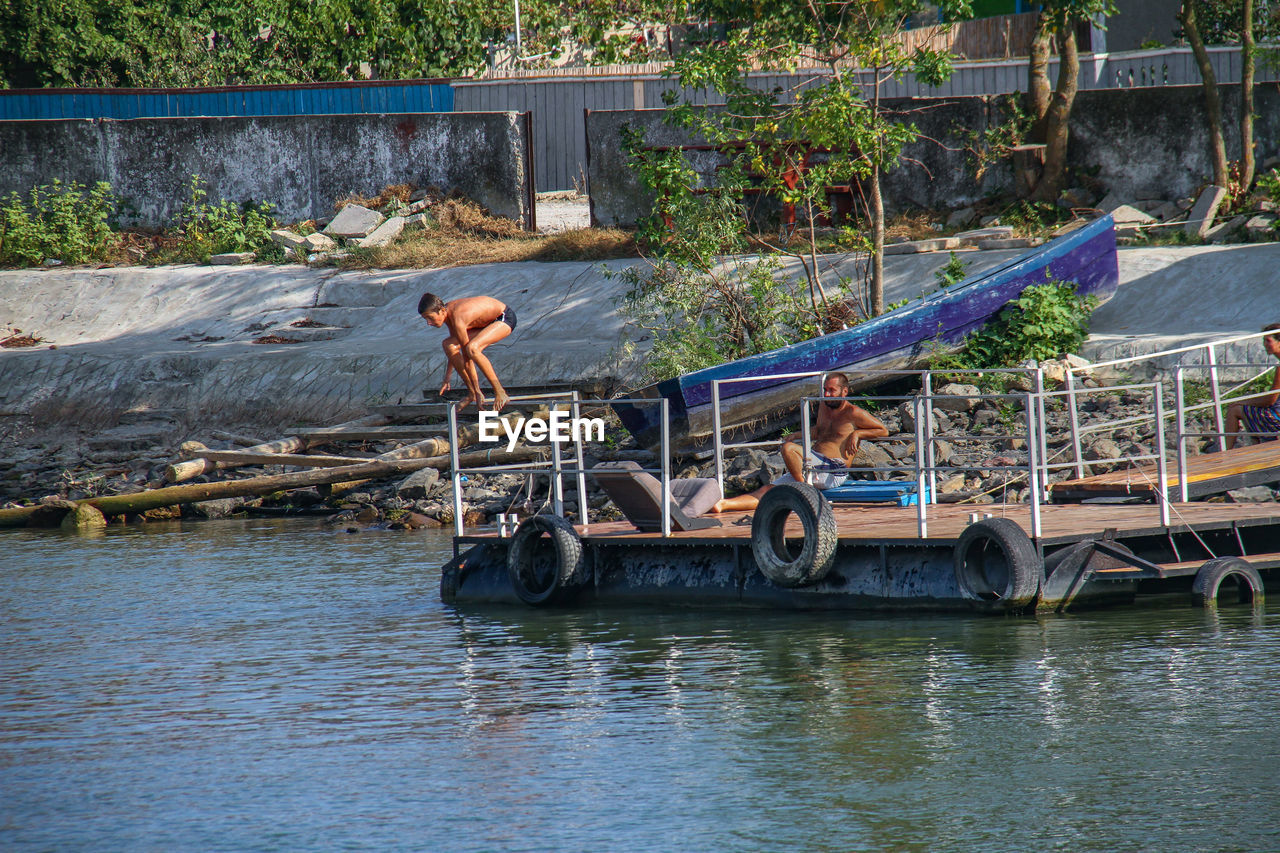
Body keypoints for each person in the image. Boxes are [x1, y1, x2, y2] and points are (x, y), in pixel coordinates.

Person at [712, 371, 888, 513]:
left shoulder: (854, 413)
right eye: (825, 390)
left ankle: (805, 493)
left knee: (788, 449)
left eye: (831, 391)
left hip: (833, 470)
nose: (827, 394)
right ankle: (723, 505)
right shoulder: (824, 406)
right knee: (769, 490)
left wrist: (858, 433)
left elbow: (884, 431)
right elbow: (820, 432)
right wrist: (796, 435)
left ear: (844, 391)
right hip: (813, 466)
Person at [418, 292, 516, 412]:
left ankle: (500, 391)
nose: (428, 323)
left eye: (430, 318)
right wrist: (447, 378)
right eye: (425, 319)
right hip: (483, 324)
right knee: (448, 345)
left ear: (442, 311)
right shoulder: (448, 314)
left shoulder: (458, 318)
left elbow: (467, 359)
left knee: (472, 348)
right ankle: (472, 395)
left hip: (503, 318)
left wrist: (478, 390)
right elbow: (454, 350)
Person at [1224, 323, 1280, 449]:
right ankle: (1256, 446)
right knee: (1246, 409)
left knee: (1235, 409)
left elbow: (1270, 400)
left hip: (1277, 417)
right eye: (1264, 340)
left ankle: (1226, 452)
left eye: (1268, 340)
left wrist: (1242, 401)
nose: (1265, 344)